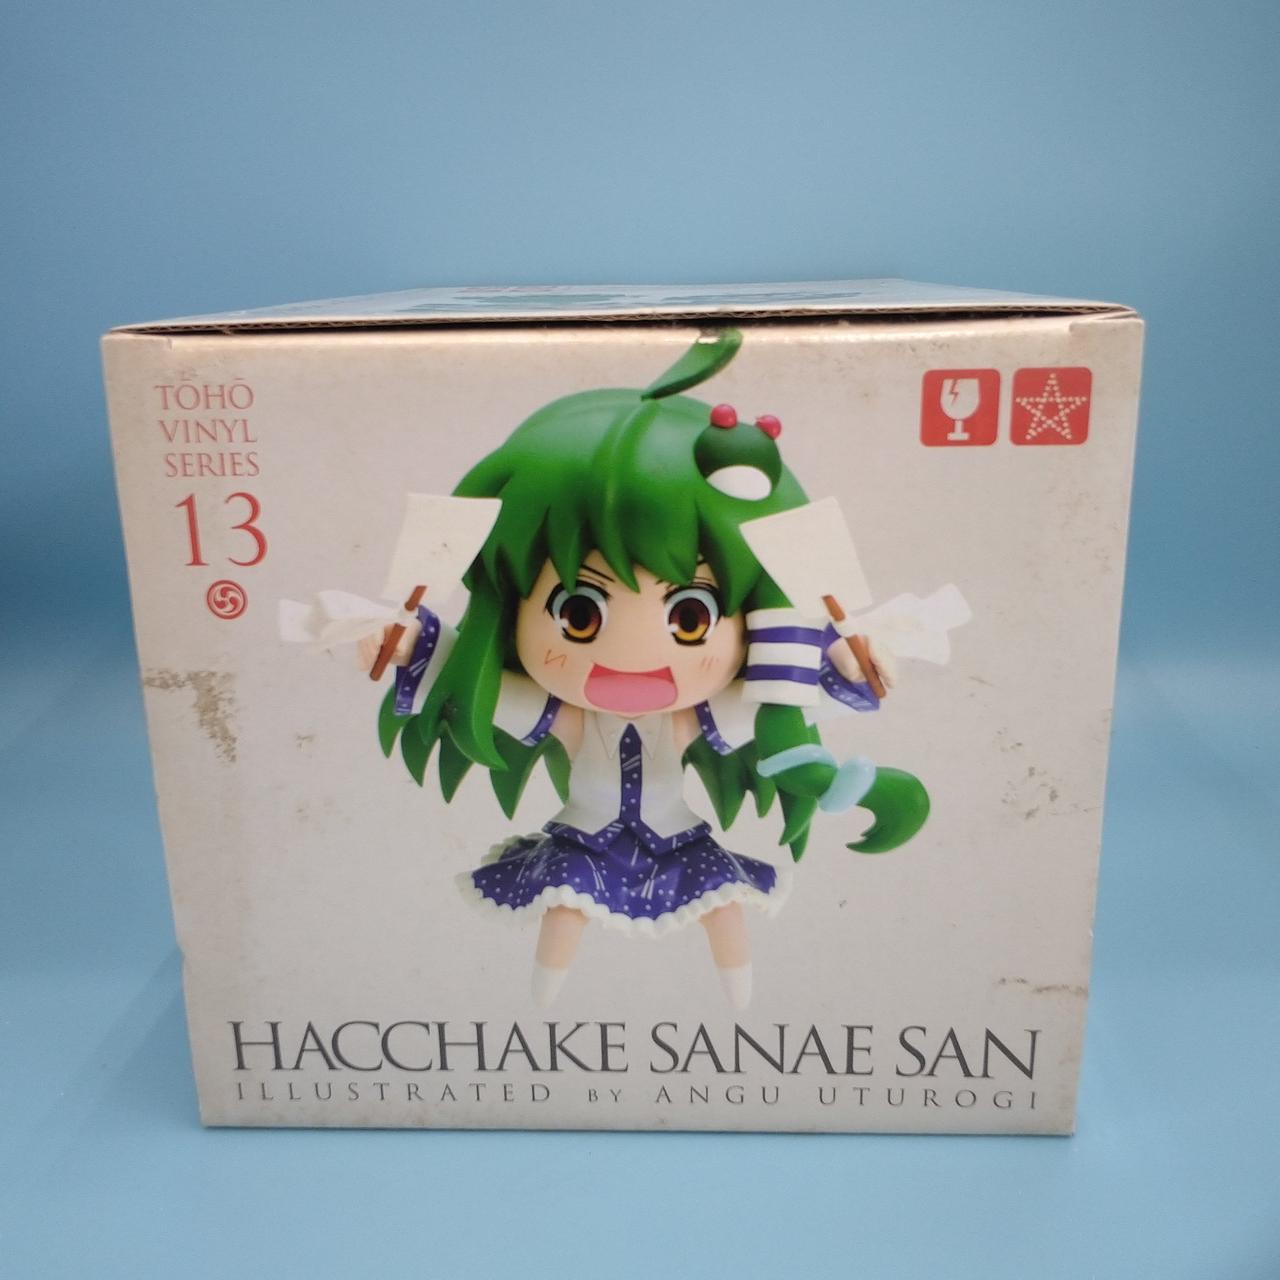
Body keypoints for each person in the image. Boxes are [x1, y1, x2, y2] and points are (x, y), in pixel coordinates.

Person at [358, 330, 929, 1009]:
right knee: (564, 907)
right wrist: (414, 644)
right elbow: (478, 690)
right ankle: (542, 1010)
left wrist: (840, 664)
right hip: (582, 837)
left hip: (675, 835)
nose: (634, 655)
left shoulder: (693, 717)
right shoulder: (567, 716)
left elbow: (774, 708)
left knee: (724, 906)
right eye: (578, 614)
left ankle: (739, 1006)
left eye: (690, 617)